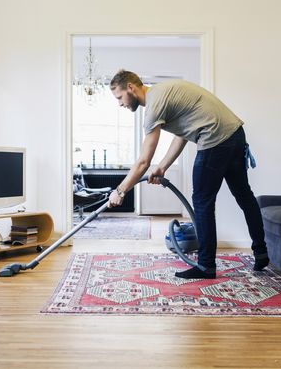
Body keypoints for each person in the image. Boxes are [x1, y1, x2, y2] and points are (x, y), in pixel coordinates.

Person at [107, 69, 269, 279]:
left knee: (202, 201)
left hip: (214, 139)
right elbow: (181, 136)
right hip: (235, 134)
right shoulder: (164, 93)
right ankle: (261, 251)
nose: (120, 103)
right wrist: (163, 166)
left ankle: (206, 266)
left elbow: (143, 161)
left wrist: (120, 191)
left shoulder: (154, 105)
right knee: (244, 195)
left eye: (119, 97)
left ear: (131, 87)